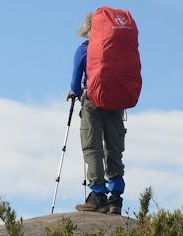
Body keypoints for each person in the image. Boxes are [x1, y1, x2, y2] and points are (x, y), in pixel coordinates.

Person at [67, 11, 126, 214]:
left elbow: (75, 85)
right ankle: (116, 199)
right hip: (116, 103)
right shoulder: (118, 50)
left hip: (92, 102)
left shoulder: (84, 50)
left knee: (92, 148)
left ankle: (97, 196)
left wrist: (76, 92)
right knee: (114, 148)